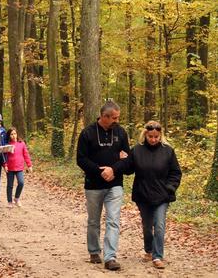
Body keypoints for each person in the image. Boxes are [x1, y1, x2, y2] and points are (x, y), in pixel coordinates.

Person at [111, 121, 181, 269]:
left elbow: (175, 173)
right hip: (143, 194)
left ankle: (157, 256)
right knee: (147, 226)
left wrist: (170, 188)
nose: (153, 139)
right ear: (145, 134)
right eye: (151, 136)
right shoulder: (137, 150)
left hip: (162, 195)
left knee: (160, 225)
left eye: (156, 136)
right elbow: (128, 170)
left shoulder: (168, 151)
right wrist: (122, 159)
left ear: (160, 135)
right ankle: (149, 250)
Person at [76, 100, 130, 271]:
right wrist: (100, 171)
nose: (117, 120)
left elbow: (127, 158)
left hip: (115, 184)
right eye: (114, 117)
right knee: (93, 220)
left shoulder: (121, 133)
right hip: (93, 185)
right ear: (104, 117)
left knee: (113, 220)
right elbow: (81, 159)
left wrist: (113, 169)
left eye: (117, 117)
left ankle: (110, 257)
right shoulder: (87, 133)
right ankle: (94, 251)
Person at [4, 127, 33, 208]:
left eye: (15, 134)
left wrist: (29, 165)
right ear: (9, 136)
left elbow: (26, 155)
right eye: (11, 134)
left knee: (21, 182)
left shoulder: (21, 143)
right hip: (9, 168)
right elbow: (4, 157)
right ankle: (9, 202)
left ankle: (16, 198)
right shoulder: (7, 145)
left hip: (19, 167)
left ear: (17, 134)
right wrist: (5, 165)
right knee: (10, 185)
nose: (13, 136)